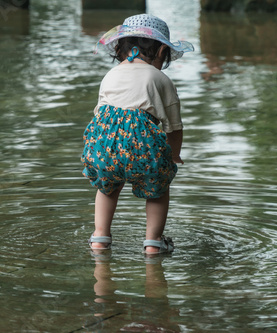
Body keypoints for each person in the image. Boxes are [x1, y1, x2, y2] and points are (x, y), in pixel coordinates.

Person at [81, 14, 194, 254]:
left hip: (105, 147)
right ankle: (153, 242)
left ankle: (100, 238)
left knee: (108, 186)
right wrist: (173, 156)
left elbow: (100, 117)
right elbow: (174, 127)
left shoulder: (110, 76)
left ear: (120, 49)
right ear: (162, 50)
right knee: (159, 187)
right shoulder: (160, 79)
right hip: (145, 149)